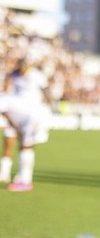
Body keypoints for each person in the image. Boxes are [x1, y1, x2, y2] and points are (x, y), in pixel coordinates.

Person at [0, 59, 50, 192]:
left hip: (32, 116)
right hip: (30, 115)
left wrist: (16, 128)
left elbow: (5, 113)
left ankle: (25, 181)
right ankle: (21, 177)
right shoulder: (12, 87)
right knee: (25, 146)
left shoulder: (4, 98)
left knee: (25, 146)